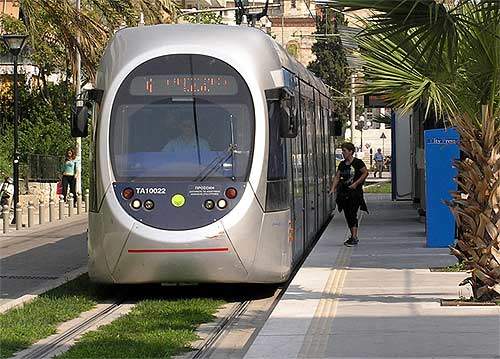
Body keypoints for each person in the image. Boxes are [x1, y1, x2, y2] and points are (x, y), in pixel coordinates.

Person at [329, 142, 369, 246]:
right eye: (342, 151)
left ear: (351, 151)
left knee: (352, 213)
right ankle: (353, 236)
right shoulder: (342, 164)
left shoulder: (358, 163)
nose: (343, 153)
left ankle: (354, 237)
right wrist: (333, 188)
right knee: (347, 214)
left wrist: (356, 183)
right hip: (344, 193)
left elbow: (365, 172)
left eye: (344, 151)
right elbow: (337, 177)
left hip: (355, 193)